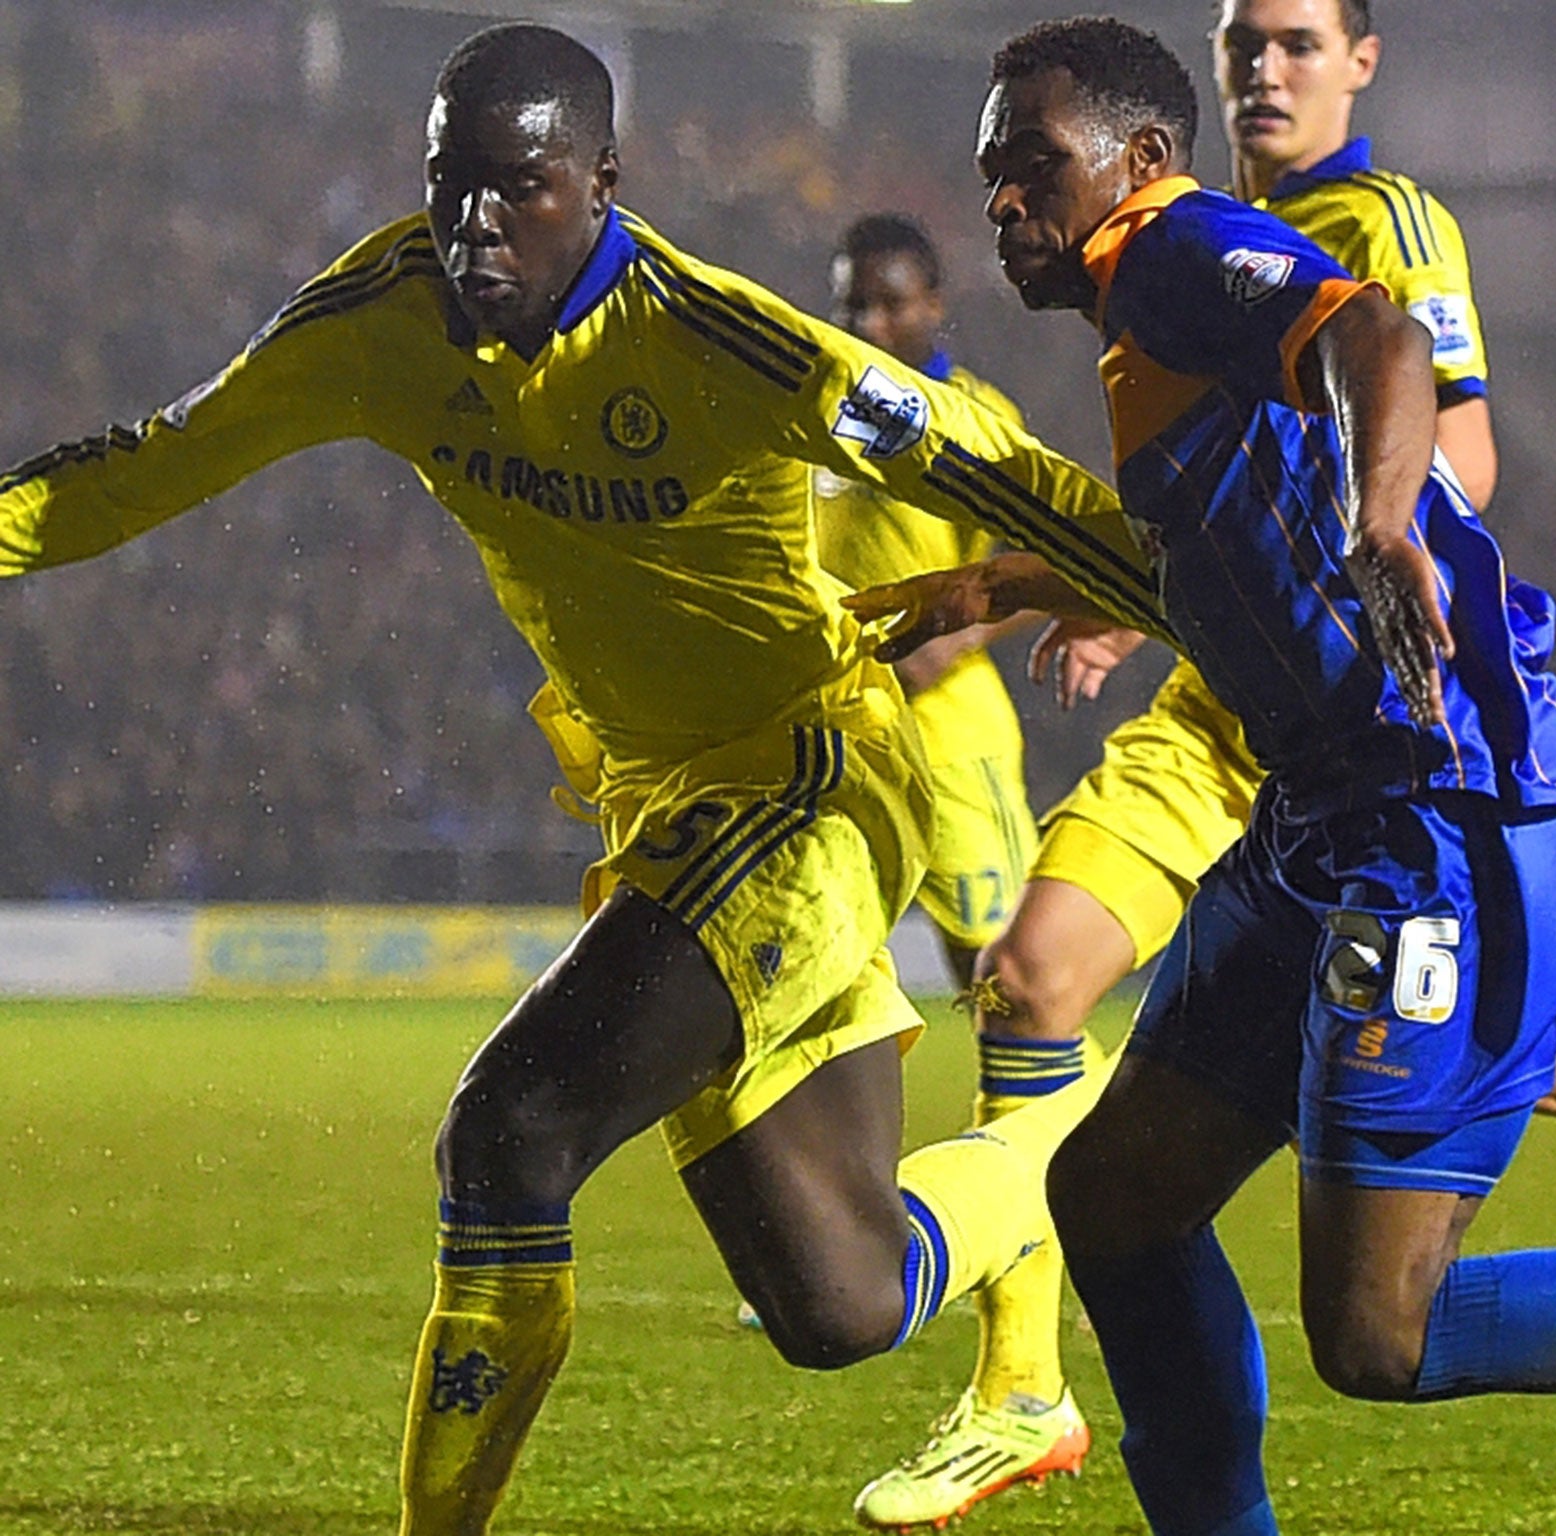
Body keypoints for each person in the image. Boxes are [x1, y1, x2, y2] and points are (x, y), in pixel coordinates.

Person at [0, 24, 1165, 1535]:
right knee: (843, 1301)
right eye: (448, 188)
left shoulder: (720, 339)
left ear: (601, 185)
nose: (474, 225)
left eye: (517, 189)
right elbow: (151, 461)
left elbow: (982, 465)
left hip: (809, 787)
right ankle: (1077, 1146)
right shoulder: (376, 317)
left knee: (508, 1129)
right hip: (670, 814)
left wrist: (1165, 582)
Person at [856, 19, 1556, 1536]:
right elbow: (1236, 534)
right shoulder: (1149, 337)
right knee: (1117, 1200)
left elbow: (1381, 340)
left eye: (1031, 168)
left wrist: (1392, 515)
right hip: (1332, 815)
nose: (1004, 204)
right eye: (992, 176)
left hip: (1451, 817)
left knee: (1384, 1336)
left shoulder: (1169, 249)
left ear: (1137, 161)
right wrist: (1001, 579)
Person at [815, 214, 1042, 992]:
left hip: (947, 728)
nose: (867, 324)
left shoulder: (975, 420)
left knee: (997, 967)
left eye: (889, 304)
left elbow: (1049, 559)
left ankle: (1029, 1111)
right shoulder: (814, 418)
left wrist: (957, 641)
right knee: (820, 958)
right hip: (835, 725)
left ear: (934, 304)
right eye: (851, 306)